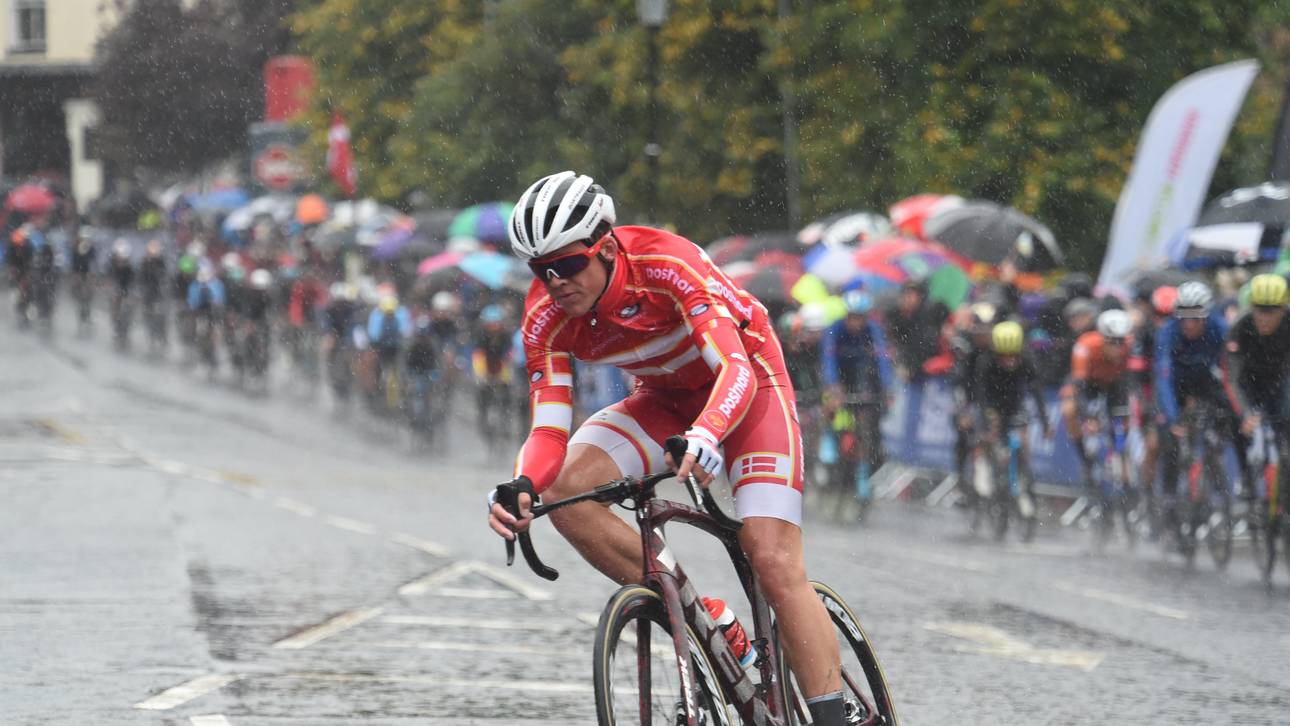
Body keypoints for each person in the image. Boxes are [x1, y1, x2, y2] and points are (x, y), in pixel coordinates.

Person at [486, 171, 852, 725]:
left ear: (605, 248)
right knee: (564, 489)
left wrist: (708, 434)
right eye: (541, 270)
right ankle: (700, 614)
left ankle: (831, 715)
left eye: (567, 264)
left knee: (772, 557)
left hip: (749, 386)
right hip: (662, 398)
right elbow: (549, 430)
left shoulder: (667, 265)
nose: (555, 281)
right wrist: (522, 486)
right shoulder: (545, 317)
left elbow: (735, 370)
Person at [1154, 281, 1246, 527]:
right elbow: (1164, 379)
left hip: (1207, 382)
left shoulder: (1220, 327)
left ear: (1207, 315)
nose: (1190, 324)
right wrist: (1173, 418)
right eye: (1184, 317)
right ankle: (1170, 499)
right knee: (1170, 437)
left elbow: (1233, 370)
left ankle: (1241, 479)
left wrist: (1239, 409)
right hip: (1177, 385)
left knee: (1237, 421)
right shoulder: (1168, 332)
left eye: (1196, 318)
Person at [821, 290, 894, 505]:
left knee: (865, 429)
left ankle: (863, 478)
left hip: (862, 379)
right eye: (852, 317)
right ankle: (829, 443)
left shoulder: (873, 331)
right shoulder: (835, 329)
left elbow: (882, 361)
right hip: (840, 378)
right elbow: (828, 360)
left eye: (860, 318)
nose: (855, 323)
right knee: (831, 407)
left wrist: (887, 389)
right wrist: (834, 388)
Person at [969, 321, 1050, 512]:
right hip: (992, 402)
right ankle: (982, 470)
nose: (1009, 361)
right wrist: (986, 421)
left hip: (1014, 403)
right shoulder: (985, 362)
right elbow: (980, 395)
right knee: (987, 435)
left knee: (1021, 438)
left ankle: (1022, 473)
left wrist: (1045, 420)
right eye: (1003, 357)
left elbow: (1037, 392)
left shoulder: (1027, 360)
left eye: (1013, 356)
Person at [1226, 274, 1290, 504]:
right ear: (1252, 307)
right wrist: (1245, 414)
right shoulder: (1240, 327)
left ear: (1283, 309)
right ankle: (1245, 477)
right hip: (1247, 383)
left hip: (1281, 382)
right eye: (1260, 309)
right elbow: (1231, 378)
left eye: (1272, 310)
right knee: (1236, 423)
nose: (1265, 317)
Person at [1061, 309, 1134, 488]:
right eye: (1111, 342)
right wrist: (1088, 417)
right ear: (1102, 338)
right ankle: (1085, 460)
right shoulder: (1085, 345)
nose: (1117, 348)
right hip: (1088, 382)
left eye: (1120, 342)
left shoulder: (1129, 346)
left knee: (1124, 418)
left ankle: (1121, 461)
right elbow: (1079, 386)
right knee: (1069, 410)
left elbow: (1128, 381)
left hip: (1113, 382)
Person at [950, 302, 999, 491]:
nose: (984, 336)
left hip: (992, 397)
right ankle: (962, 478)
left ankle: (1002, 479)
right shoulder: (965, 346)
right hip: (970, 396)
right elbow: (958, 381)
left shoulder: (997, 346)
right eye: (980, 331)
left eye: (988, 331)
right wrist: (963, 411)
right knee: (964, 433)